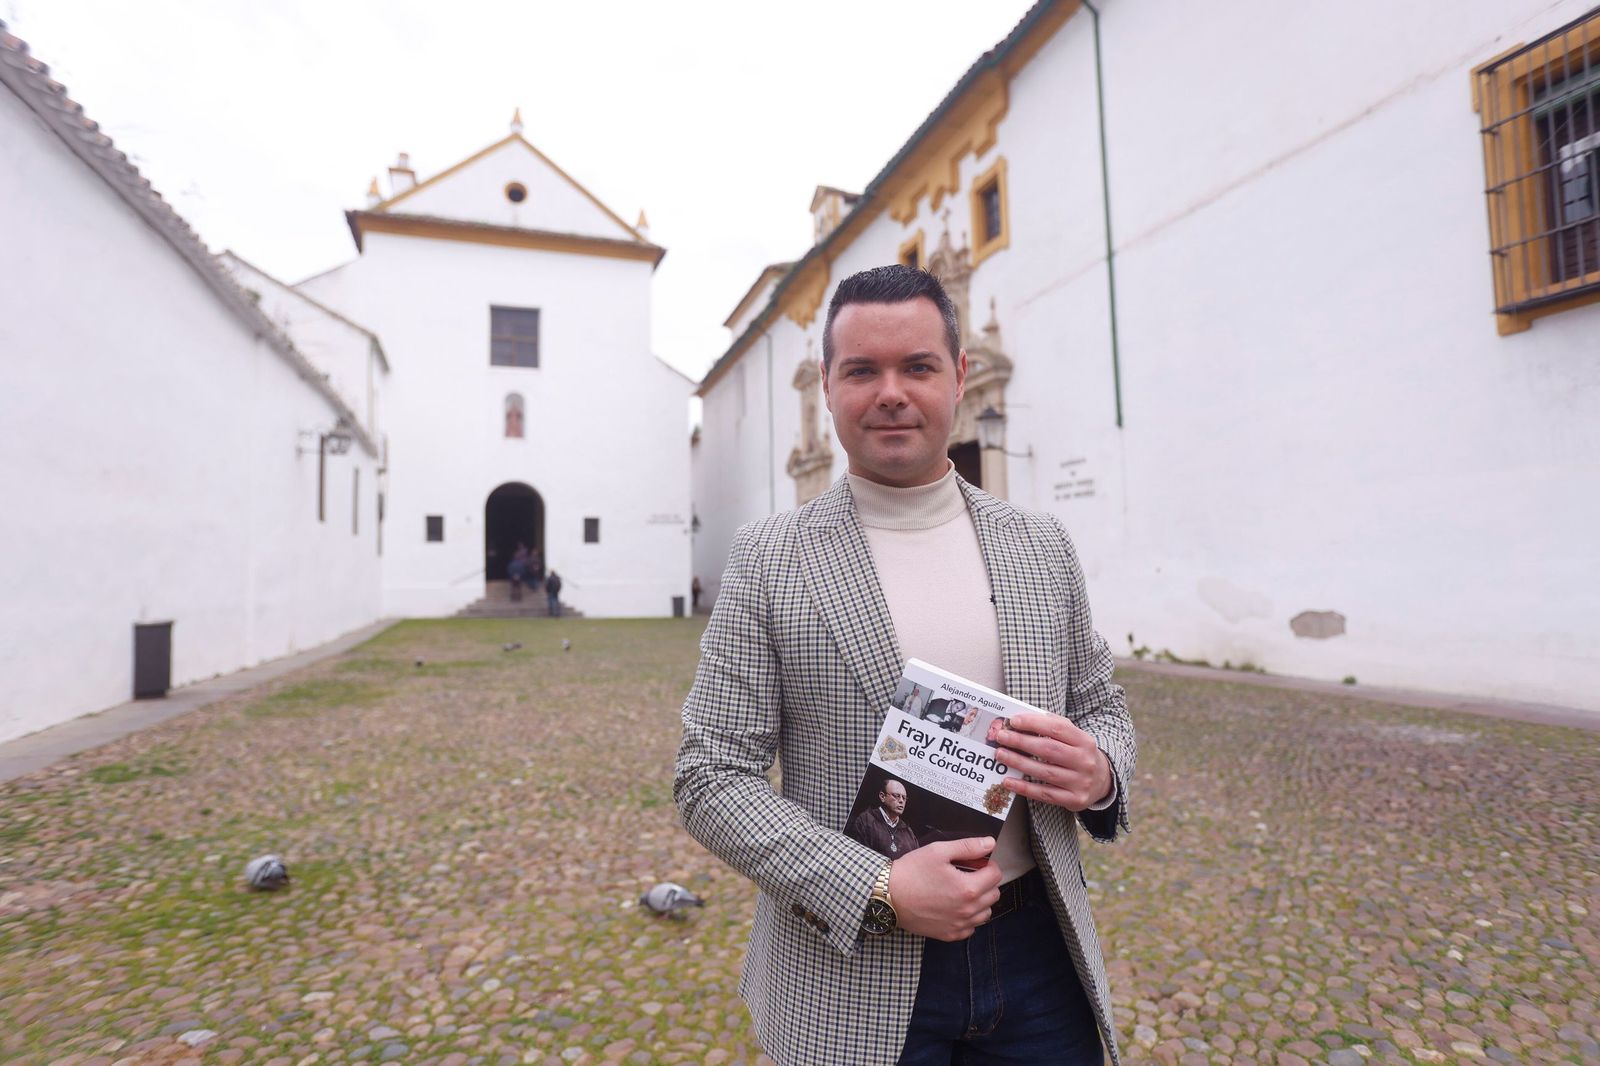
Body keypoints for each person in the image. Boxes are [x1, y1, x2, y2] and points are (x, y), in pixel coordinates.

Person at [676, 264, 1135, 1066]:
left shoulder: (1040, 546)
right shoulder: (767, 559)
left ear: (958, 376)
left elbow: (1103, 704)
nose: (891, 392)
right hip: (849, 965)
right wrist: (877, 889)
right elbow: (711, 776)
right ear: (827, 385)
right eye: (862, 370)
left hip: (1036, 953)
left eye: (917, 366)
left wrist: (1099, 772)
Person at [845, 777, 921, 859]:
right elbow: (860, 857)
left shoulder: (908, 832)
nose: (901, 801)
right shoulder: (866, 820)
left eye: (904, 798)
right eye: (896, 796)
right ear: (882, 796)